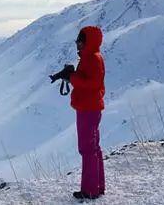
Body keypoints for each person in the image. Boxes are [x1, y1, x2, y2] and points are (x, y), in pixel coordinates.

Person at [69, 26, 106, 200]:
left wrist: (72, 77)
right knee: (93, 147)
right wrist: (73, 76)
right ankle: (97, 187)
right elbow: (92, 83)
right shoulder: (91, 58)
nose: (77, 44)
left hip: (88, 109)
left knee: (87, 148)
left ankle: (90, 190)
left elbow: (92, 84)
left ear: (87, 42)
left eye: (80, 41)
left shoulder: (92, 59)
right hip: (90, 107)